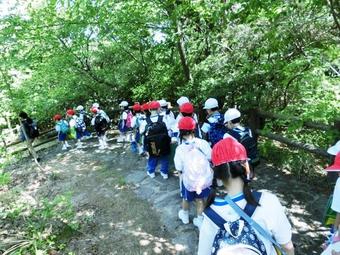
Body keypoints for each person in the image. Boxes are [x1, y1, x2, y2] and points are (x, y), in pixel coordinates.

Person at [198, 137, 294, 255]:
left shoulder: (210, 214)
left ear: (217, 176)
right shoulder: (268, 201)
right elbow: (287, 245)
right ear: (247, 168)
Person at [174, 117, 213, 228]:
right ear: (194, 129)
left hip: (188, 180)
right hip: (203, 179)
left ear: (180, 132)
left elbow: (179, 166)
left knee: (186, 198)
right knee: (200, 199)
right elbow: (210, 157)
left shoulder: (180, 148)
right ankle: (200, 220)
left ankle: (185, 216)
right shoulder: (203, 143)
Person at [223, 108, 260, 176]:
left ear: (230, 122)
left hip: (238, 165)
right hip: (250, 160)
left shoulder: (228, 135)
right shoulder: (248, 130)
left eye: (226, 122)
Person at [140, 101, 171, 179]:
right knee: (164, 156)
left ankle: (151, 172)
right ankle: (164, 173)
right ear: (158, 109)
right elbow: (169, 128)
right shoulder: (163, 118)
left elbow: (141, 131)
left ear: (150, 110)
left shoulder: (146, 121)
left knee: (153, 156)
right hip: (164, 142)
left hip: (152, 143)